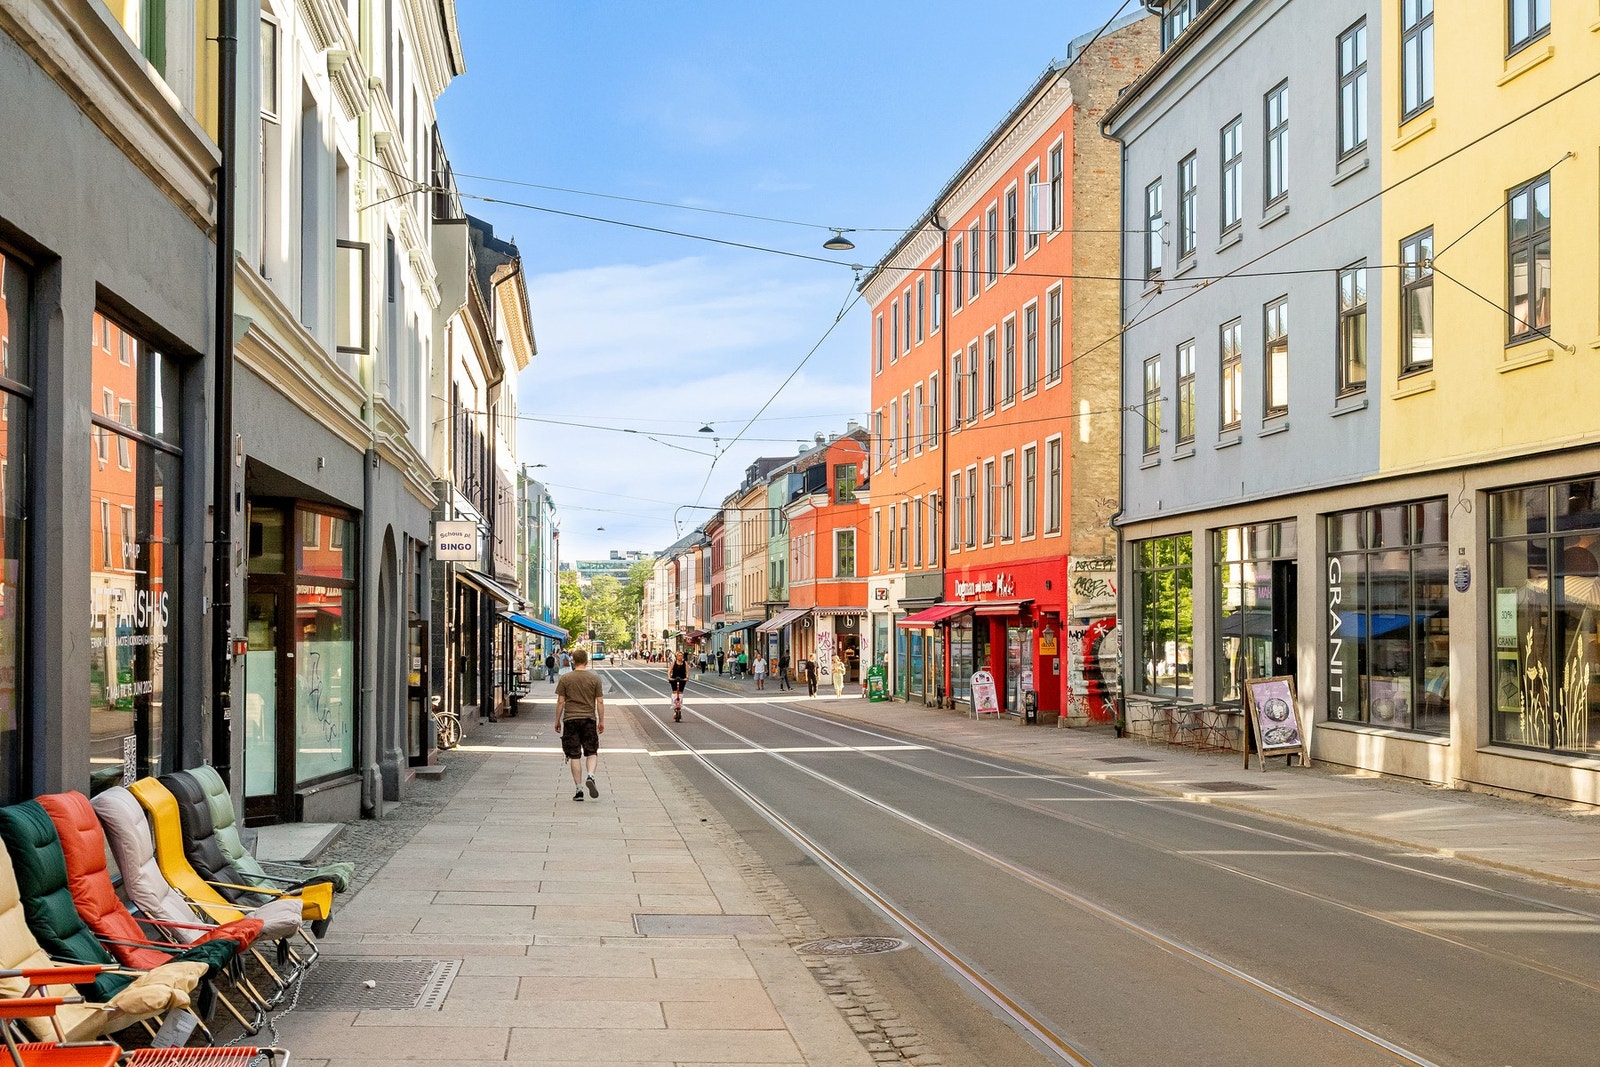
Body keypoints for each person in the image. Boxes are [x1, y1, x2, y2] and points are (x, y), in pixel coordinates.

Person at [554, 648, 605, 801]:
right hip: (589, 719)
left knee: (574, 754)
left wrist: (557, 720)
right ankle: (591, 775)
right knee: (591, 751)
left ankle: (579, 790)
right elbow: (600, 701)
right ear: (586, 661)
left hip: (570, 720)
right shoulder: (594, 679)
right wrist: (601, 720)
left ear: (573, 661)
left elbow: (561, 701)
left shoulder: (565, 678)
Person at [667, 651, 688, 722]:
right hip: (674, 679)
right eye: (679, 655)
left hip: (682, 679)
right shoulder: (674, 663)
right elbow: (669, 670)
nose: (680, 657)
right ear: (676, 657)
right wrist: (669, 677)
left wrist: (686, 677)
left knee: (681, 692)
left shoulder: (685, 663)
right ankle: (674, 706)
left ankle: (680, 706)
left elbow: (687, 671)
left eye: (681, 656)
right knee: (674, 692)